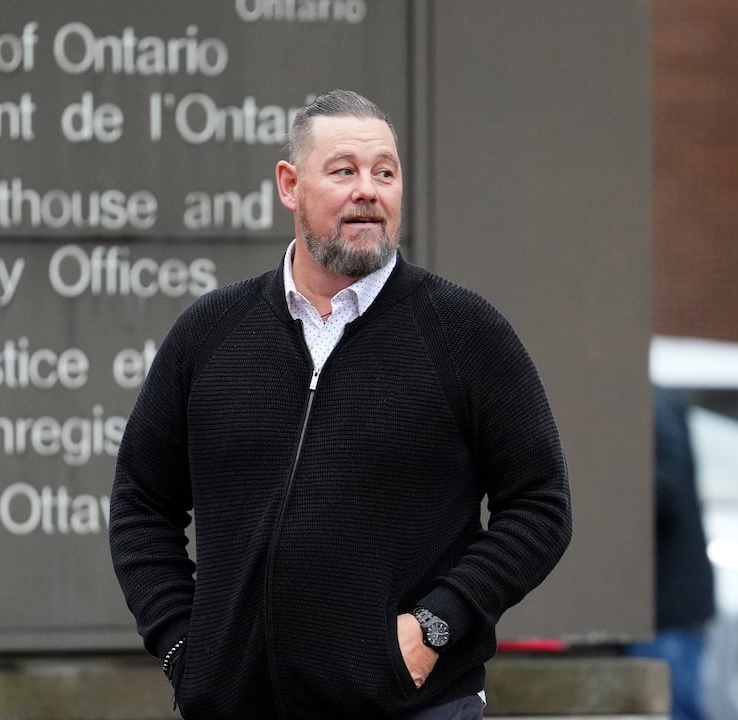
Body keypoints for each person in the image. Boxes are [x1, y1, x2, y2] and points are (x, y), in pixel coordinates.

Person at [108, 89, 573, 720]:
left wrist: (435, 626)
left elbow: (541, 504)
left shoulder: (463, 331)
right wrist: (183, 645)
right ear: (289, 185)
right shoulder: (211, 331)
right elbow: (141, 500)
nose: (369, 190)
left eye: (385, 171)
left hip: (411, 705)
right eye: (345, 170)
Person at [625, 386, 715, 720]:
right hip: (664, 604)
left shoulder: (650, 403)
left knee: (670, 708)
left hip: (666, 605)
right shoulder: (653, 401)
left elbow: (668, 492)